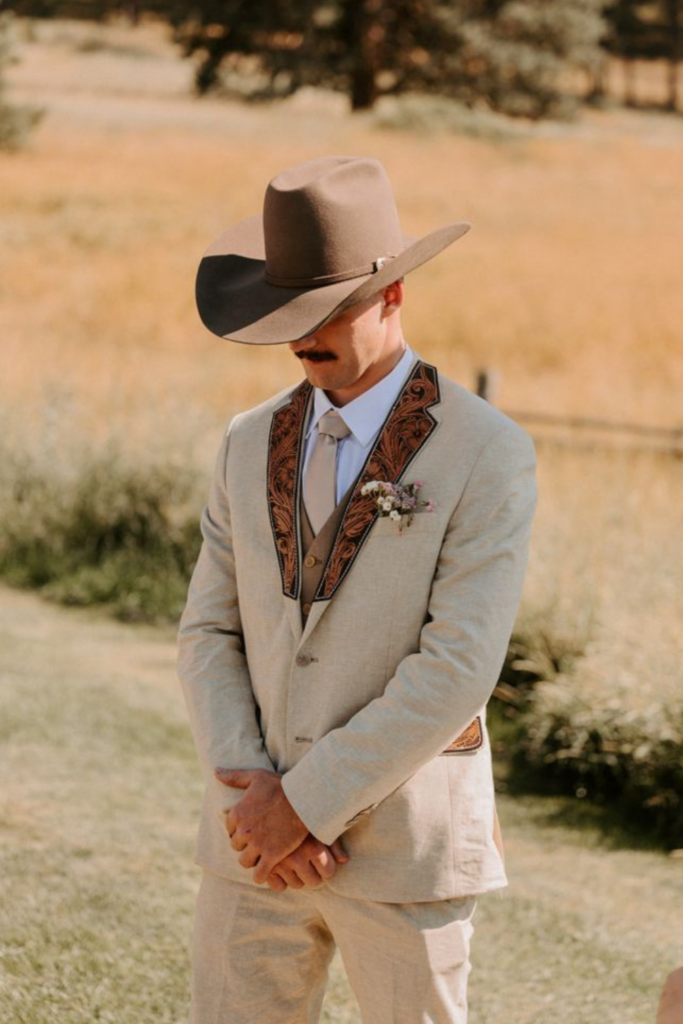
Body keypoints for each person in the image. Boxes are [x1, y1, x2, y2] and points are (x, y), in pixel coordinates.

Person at [177, 155, 537, 1024]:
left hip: (404, 850)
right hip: (250, 851)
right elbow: (207, 636)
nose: (305, 337)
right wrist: (254, 802)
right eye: (288, 312)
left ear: (394, 295)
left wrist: (304, 805)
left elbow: (456, 668)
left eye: (327, 310)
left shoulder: (486, 452)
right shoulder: (244, 440)